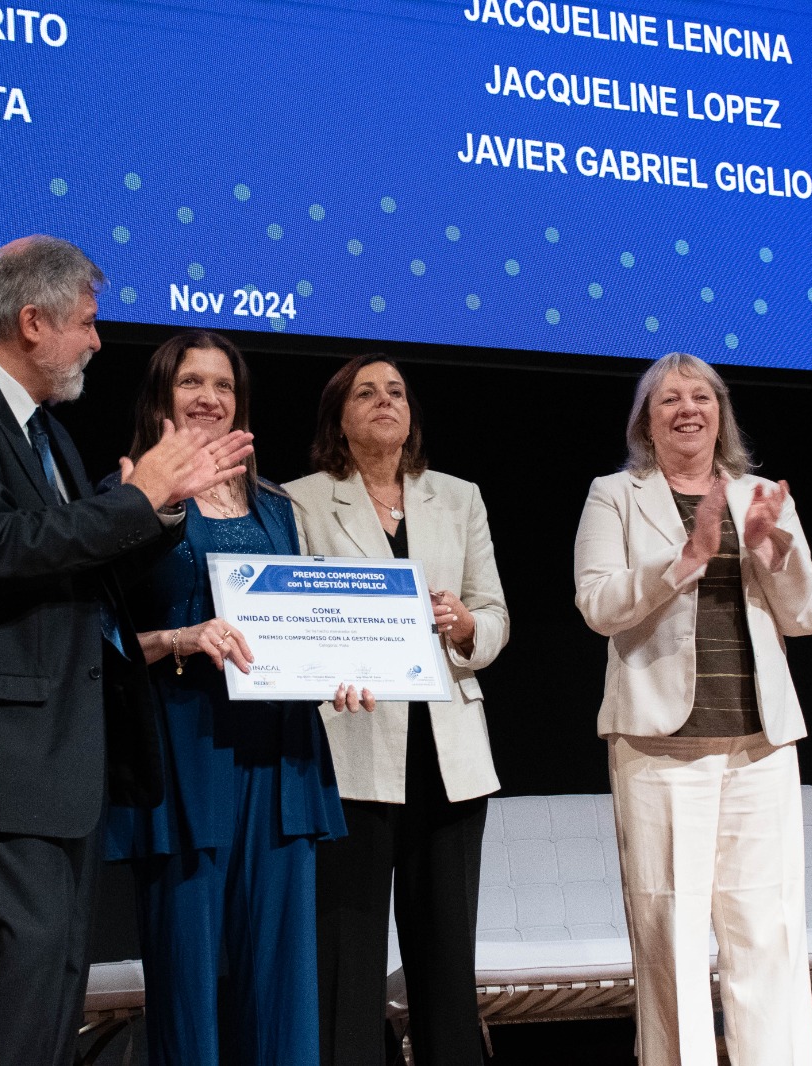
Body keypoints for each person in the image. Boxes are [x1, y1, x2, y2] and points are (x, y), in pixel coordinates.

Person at [0, 237, 252, 1066]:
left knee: (54, 966)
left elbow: (80, 565)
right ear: (32, 319)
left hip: (60, 745)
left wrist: (157, 508)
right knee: (28, 953)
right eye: (86, 323)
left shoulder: (47, 435)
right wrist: (136, 496)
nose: (95, 341)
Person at [104, 330, 360, 1066]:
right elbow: (98, 638)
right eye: (191, 382)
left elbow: (303, 626)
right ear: (162, 396)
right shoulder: (127, 497)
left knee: (284, 979)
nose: (210, 397)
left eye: (223, 385)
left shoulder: (278, 507)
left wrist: (336, 670)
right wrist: (183, 640)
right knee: (186, 979)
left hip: (281, 757)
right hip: (183, 756)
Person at [572, 352, 812, 1066]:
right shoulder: (616, 495)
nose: (688, 409)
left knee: (767, 932)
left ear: (721, 414)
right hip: (662, 746)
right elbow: (597, 603)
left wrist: (777, 551)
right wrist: (689, 555)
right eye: (669, 400)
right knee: (672, 937)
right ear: (645, 422)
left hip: (760, 744)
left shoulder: (758, 496)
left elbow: (807, 616)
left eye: (702, 397)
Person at [285, 354, 510, 1066]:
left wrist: (468, 626)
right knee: (347, 965)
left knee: (446, 964)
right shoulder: (300, 501)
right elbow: (294, 618)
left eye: (397, 392)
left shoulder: (458, 497)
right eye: (366, 392)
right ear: (339, 418)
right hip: (351, 753)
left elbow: (496, 610)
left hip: (449, 759)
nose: (385, 401)